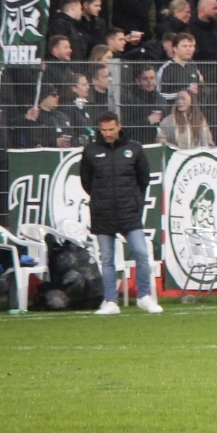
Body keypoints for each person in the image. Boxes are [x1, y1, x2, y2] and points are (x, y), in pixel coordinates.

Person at [81, 112, 162, 314]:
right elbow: (86, 181)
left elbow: (143, 179)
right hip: (102, 213)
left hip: (129, 212)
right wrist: (101, 198)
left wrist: (133, 201)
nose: (108, 133)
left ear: (119, 127)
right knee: (107, 259)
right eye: (104, 130)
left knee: (141, 253)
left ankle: (143, 296)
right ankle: (111, 301)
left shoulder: (134, 149)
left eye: (111, 129)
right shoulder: (91, 151)